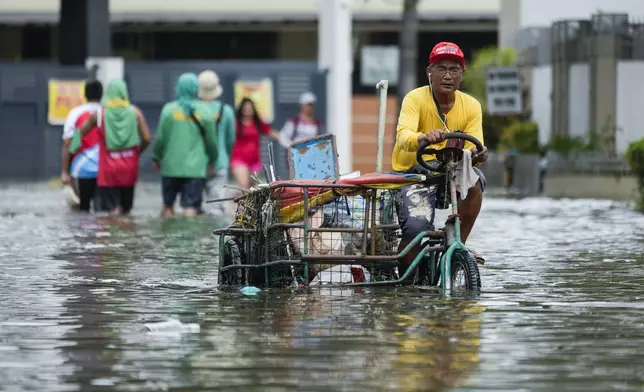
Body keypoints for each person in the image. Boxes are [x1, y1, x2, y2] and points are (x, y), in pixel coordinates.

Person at [392, 42, 489, 276]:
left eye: (454, 70)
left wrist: (478, 155)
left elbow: (473, 145)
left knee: (475, 182)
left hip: (449, 172)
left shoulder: (471, 106)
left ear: (462, 76)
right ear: (430, 72)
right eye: (441, 69)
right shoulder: (415, 99)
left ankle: (457, 245)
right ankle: (407, 282)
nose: (448, 76)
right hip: (413, 174)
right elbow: (403, 135)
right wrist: (423, 137)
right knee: (416, 228)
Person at [78, 79, 152, 216]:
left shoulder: (99, 114)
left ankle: (112, 235)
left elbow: (79, 134)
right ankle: (125, 235)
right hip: (129, 167)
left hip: (108, 170)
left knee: (111, 211)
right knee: (126, 209)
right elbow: (147, 138)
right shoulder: (135, 113)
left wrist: (79, 156)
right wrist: (138, 152)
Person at [153, 73, 218, 217]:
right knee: (191, 207)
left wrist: (156, 158)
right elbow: (211, 141)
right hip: (195, 169)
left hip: (170, 167)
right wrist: (213, 160)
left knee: (168, 205)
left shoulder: (168, 110)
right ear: (196, 89)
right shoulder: (205, 111)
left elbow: (160, 139)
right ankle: (190, 236)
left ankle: (167, 236)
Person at [61, 79, 104, 212]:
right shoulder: (107, 112)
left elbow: (68, 144)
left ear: (85, 95)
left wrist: (64, 172)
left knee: (83, 210)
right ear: (102, 94)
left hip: (82, 170)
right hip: (105, 169)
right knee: (102, 211)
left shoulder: (75, 113)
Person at [197, 70, 235, 207]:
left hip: (197, 163)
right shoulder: (226, 110)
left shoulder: (194, 110)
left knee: (197, 207)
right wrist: (225, 154)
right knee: (217, 205)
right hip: (220, 162)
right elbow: (231, 139)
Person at [230, 97, 280, 190]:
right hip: (239, 159)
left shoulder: (257, 123)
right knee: (244, 187)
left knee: (252, 190)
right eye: (245, 107)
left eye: (250, 107)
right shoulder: (236, 123)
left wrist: (287, 140)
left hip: (255, 161)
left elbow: (271, 132)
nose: (248, 110)